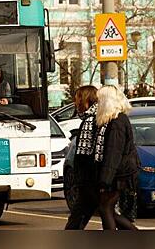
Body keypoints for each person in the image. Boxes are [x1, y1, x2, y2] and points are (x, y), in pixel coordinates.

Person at [95, 85, 140, 230]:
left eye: (99, 100)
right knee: (107, 209)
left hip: (119, 174)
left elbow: (113, 153)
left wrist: (104, 180)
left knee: (105, 208)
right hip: (119, 173)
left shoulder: (116, 122)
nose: (97, 103)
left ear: (106, 102)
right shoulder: (115, 120)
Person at [65, 85, 99, 230]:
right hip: (90, 179)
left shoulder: (90, 121)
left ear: (85, 100)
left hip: (88, 180)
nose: (75, 102)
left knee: (79, 216)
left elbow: (84, 154)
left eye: (78, 98)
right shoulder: (92, 118)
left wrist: (80, 179)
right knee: (104, 213)